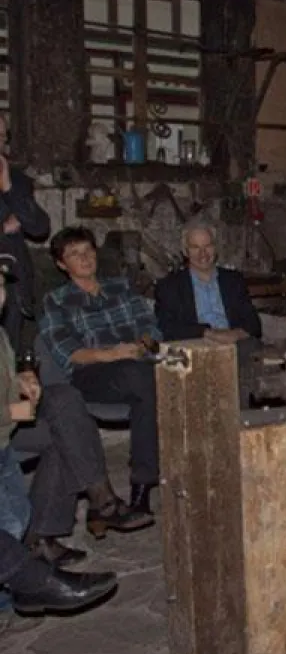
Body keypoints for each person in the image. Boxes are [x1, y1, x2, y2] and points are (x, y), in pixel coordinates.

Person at [38, 227, 162, 518]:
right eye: (74, 254)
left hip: (137, 365)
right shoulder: (56, 300)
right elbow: (68, 352)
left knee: (153, 383)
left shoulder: (122, 287)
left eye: (88, 251)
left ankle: (144, 484)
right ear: (61, 264)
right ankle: (144, 482)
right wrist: (112, 353)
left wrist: (142, 347)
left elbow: (151, 328)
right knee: (144, 379)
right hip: (91, 374)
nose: (84, 258)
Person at [154, 218, 263, 368]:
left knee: (253, 353)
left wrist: (235, 334)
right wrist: (208, 333)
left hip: (234, 346)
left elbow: (254, 324)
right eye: (195, 247)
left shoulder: (233, 281)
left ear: (215, 248)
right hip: (195, 348)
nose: (203, 254)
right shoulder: (170, 286)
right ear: (185, 251)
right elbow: (166, 327)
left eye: (208, 246)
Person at [0, 113, 51, 355]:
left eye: (0, 136)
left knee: (8, 362)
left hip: (11, 290)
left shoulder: (17, 181)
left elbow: (40, 227)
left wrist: (8, 188)